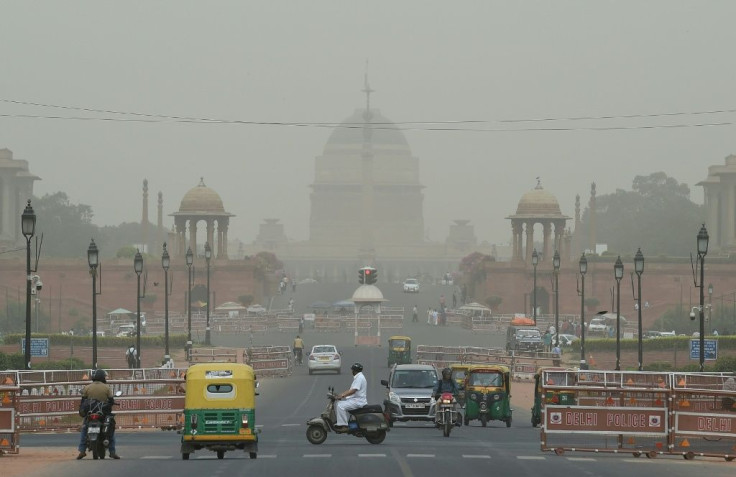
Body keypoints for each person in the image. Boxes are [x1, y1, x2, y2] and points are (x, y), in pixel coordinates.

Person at [77, 369, 120, 459]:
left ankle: (82, 450)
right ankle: (112, 452)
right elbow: (111, 400)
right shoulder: (106, 388)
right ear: (102, 377)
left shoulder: (87, 387)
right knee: (110, 430)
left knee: (84, 428)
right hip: (103, 413)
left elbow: (83, 401)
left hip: (90, 413)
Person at [334, 363, 367, 431]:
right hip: (355, 400)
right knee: (339, 403)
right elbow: (350, 390)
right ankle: (342, 423)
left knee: (340, 405)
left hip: (358, 401)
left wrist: (342, 395)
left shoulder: (359, 378)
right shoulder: (359, 377)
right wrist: (341, 395)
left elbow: (353, 391)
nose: (351, 371)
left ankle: (344, 426)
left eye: (352, 370)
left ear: (355, 371)